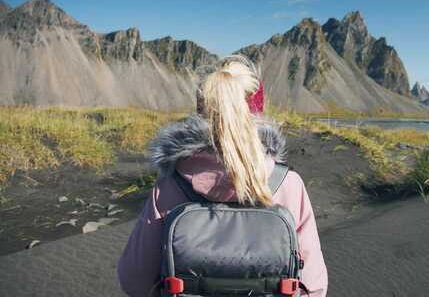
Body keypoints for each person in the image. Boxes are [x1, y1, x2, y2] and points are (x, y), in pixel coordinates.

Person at [117, 55, 328, 297]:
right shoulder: (289, 184)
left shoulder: (169, 187)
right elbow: (314, 286)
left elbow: (134, 280)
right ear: (258, 112)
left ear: (202, 112)